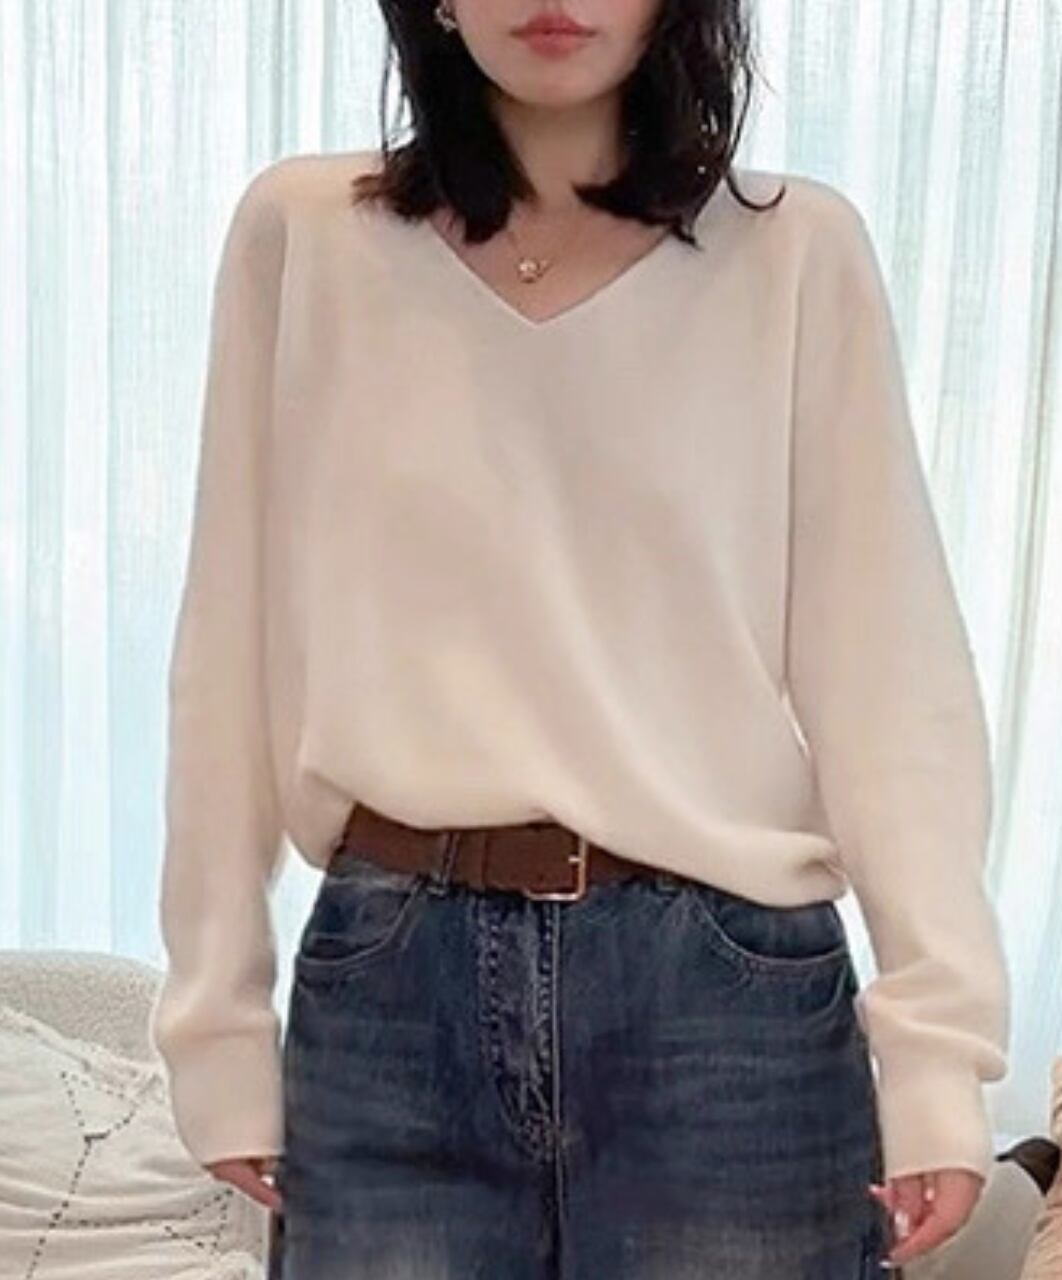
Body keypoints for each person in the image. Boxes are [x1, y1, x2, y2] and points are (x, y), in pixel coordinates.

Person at [150, 1, 1011, 1276]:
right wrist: (214, 1023)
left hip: (728, 1005)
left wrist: (936, 1053)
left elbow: (888, 669)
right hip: (391, 993)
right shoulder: (306, 237)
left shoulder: (795, 254)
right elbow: (226, 642)